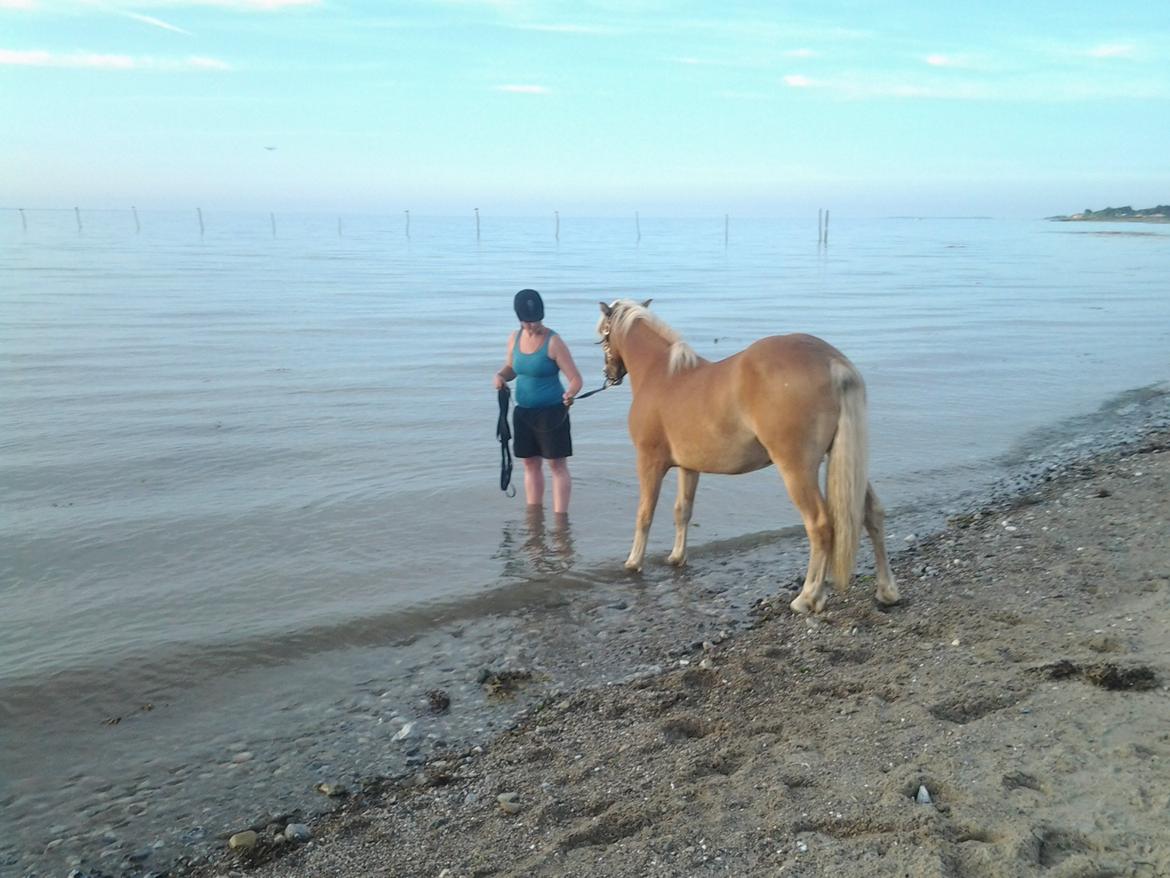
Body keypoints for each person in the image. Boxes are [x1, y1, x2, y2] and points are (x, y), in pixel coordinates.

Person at [493, 289, 583, 514]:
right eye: (527, 321)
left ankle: (561, 517)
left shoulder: (554, 342)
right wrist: (501, 376)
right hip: (523, 412)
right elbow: (513, 368)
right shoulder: (514, 338)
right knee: (530, 463)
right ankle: (534, 515)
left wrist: (570, 394)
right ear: (519, 319)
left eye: (536, 320)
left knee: (556, 465)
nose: (533, 325)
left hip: (552, 412)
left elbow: (576, 379)